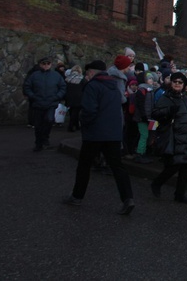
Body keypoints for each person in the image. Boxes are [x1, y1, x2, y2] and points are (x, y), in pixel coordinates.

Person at [62, 60, 135, 215]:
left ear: (91, 72)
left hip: (95, 133)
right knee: (117, 167)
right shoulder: (115, 87)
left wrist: (84, 124)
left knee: (84, 165)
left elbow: (89, 110)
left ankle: (77, 196)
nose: (87, 75)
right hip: (113, 134)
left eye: (88, 73)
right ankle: (128, 198)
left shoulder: (93, 86)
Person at [150, 72, 187, 204]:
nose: (177, 84)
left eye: (180, 82)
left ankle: (180, 194)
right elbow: (155, 114)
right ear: (171, 83)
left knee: (185, 167)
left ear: (184, 85)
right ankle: (157, 183)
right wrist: (169, 111)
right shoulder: (166, 98)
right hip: (173, 137)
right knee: (175, 165)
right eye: (175, 81)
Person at [23, 56, 66, 151]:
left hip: (51, 102)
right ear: (40, 64)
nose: (46, 65)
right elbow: (27, 87)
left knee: (49, 120)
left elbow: (63, 87)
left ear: (50, 64)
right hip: (38, 103)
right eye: (44, 63)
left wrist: (57, 97)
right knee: (38, 124)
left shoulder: (56, 75)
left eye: (48, 63)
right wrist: (33, 96)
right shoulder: (34, 75)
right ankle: (39, 142)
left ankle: (45, 138)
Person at [64, 65, 86, 132]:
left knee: (72, 111)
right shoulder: (82, 79)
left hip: (69, 97)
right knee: (76, 112)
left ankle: (76, 125)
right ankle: (71, 126)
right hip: (78, 97)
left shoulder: (67, 79)